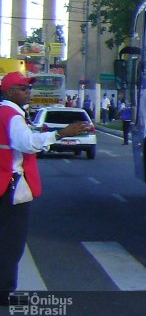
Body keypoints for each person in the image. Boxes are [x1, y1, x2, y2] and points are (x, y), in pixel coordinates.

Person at [0, 72, 89, 305]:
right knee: (12, 242)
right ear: (10, 92)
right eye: (23, 88)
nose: (28, 92)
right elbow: (26, 144)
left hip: (4, 184)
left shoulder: (7, 113)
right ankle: (4, 293)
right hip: (10, 186)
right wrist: (60, 133)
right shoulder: (11, 115)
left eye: (28, 88)